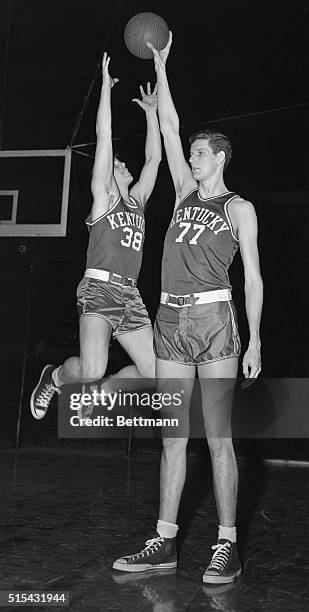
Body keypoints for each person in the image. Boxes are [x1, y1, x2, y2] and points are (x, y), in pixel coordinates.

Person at [113, 34, 263, 584]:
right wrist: (162, 67)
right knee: (173, 435)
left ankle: (227, 544)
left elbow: (255, 277)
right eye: (192, 152)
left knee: (217, 436)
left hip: (214, 321)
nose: (192, 157)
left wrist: (258, 339)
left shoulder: (238, 207)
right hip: (170, 320)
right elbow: (172, 129)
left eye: (201, 153)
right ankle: (165, 541)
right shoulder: (181, 194)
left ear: (220, 158)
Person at [30, 52, 161, 419]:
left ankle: (101, 393)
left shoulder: (137, 201)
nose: (124, 164)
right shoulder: (103, 199)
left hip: (130, 294)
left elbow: (154, 161)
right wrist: (105, 89)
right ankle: (54, 378)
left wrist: (151, 113)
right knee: (90, 369)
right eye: (119, 163)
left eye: (122, 163)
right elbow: (103, 135)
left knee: (157, 374)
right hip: (99, 289)